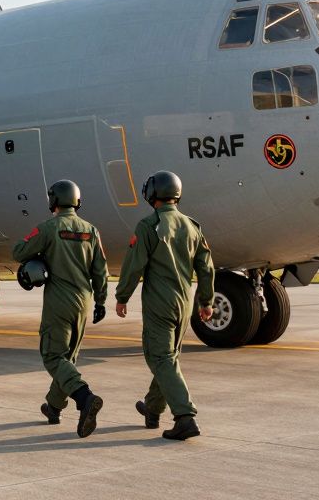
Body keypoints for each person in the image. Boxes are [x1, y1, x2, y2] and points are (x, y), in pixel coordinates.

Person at [115, 170, 215, 441]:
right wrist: (206, 301)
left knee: (159, 357)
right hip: (183, 303)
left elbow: (134, 265)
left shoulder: (149, 225)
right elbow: (206, 267)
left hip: (160, 302)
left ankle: (185, 416)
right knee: (168, 357)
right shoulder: (192, 226)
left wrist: (122, 296)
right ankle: (152, 408)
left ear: (154, 194)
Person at [13, 179, 109, 438]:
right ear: (77, 201)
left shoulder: (48, 228)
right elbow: (100, 270)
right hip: (83, 301)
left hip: (59, 300)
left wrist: (41, 257)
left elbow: (19, 251)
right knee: (68, 359)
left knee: (54, 357)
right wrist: (101, 301)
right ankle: (54, 407)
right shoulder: (91, 230)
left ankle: (84, 396)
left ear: (53, 201)